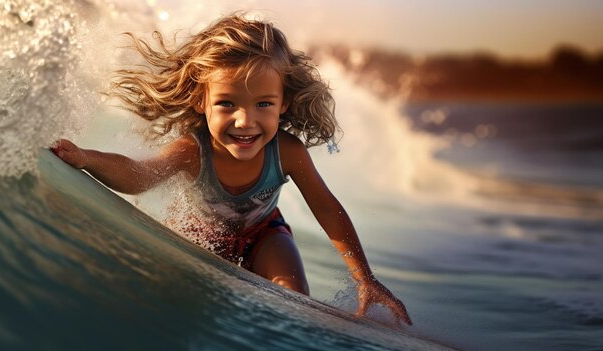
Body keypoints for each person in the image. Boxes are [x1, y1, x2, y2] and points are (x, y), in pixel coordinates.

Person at [52, 14, 411, 325]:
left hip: (266, 234)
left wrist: (365, 278)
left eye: (263, 104)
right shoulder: (193, 151)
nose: (245, 121)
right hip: (197, 236)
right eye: (226, 103)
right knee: (171, 302)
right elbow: (140, 176)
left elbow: (327, 209)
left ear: (283, 102)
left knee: (294, 304)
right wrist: (86, 158)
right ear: (201, 100)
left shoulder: (287, 151)